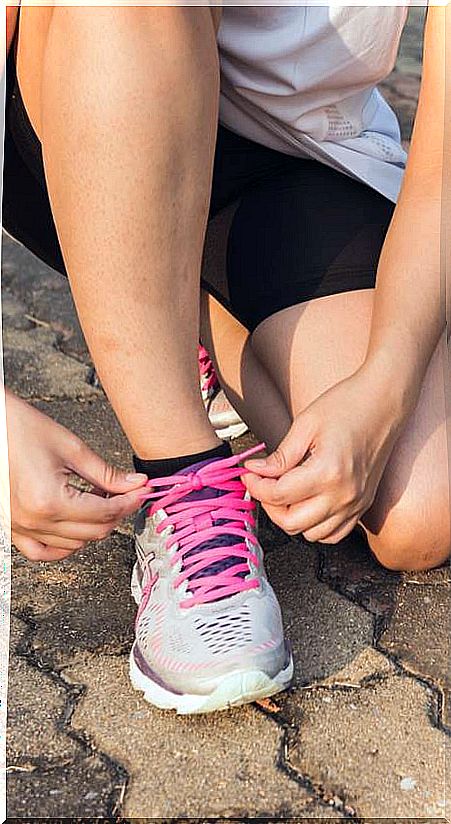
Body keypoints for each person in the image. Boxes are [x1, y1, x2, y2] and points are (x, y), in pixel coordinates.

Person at [3, 5, 449, 714]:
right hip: (88, 95)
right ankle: (185, 477)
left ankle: (170, 313)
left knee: (418, 510)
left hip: (290, 155)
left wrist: (383, 385)